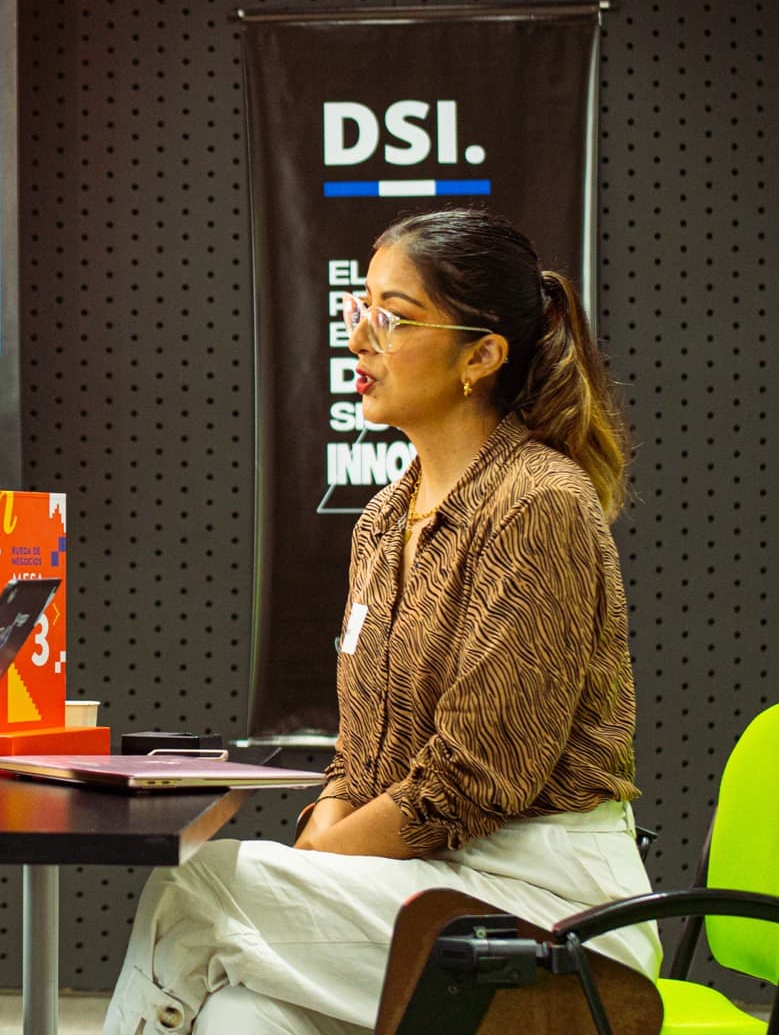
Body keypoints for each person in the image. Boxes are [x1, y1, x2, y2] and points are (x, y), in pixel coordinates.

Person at [104, 209, 658, 1035]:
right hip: (419, 885)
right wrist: (323, 834)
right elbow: (363, 753)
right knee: (243, 1020)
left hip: (550, 921)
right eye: (358, 309)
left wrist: (316, 864)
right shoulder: (383, 520)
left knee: (202, 884)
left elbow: (474, 780)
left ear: (482, 356)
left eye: (391, 317)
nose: (359, 338)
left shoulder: (540, 504)